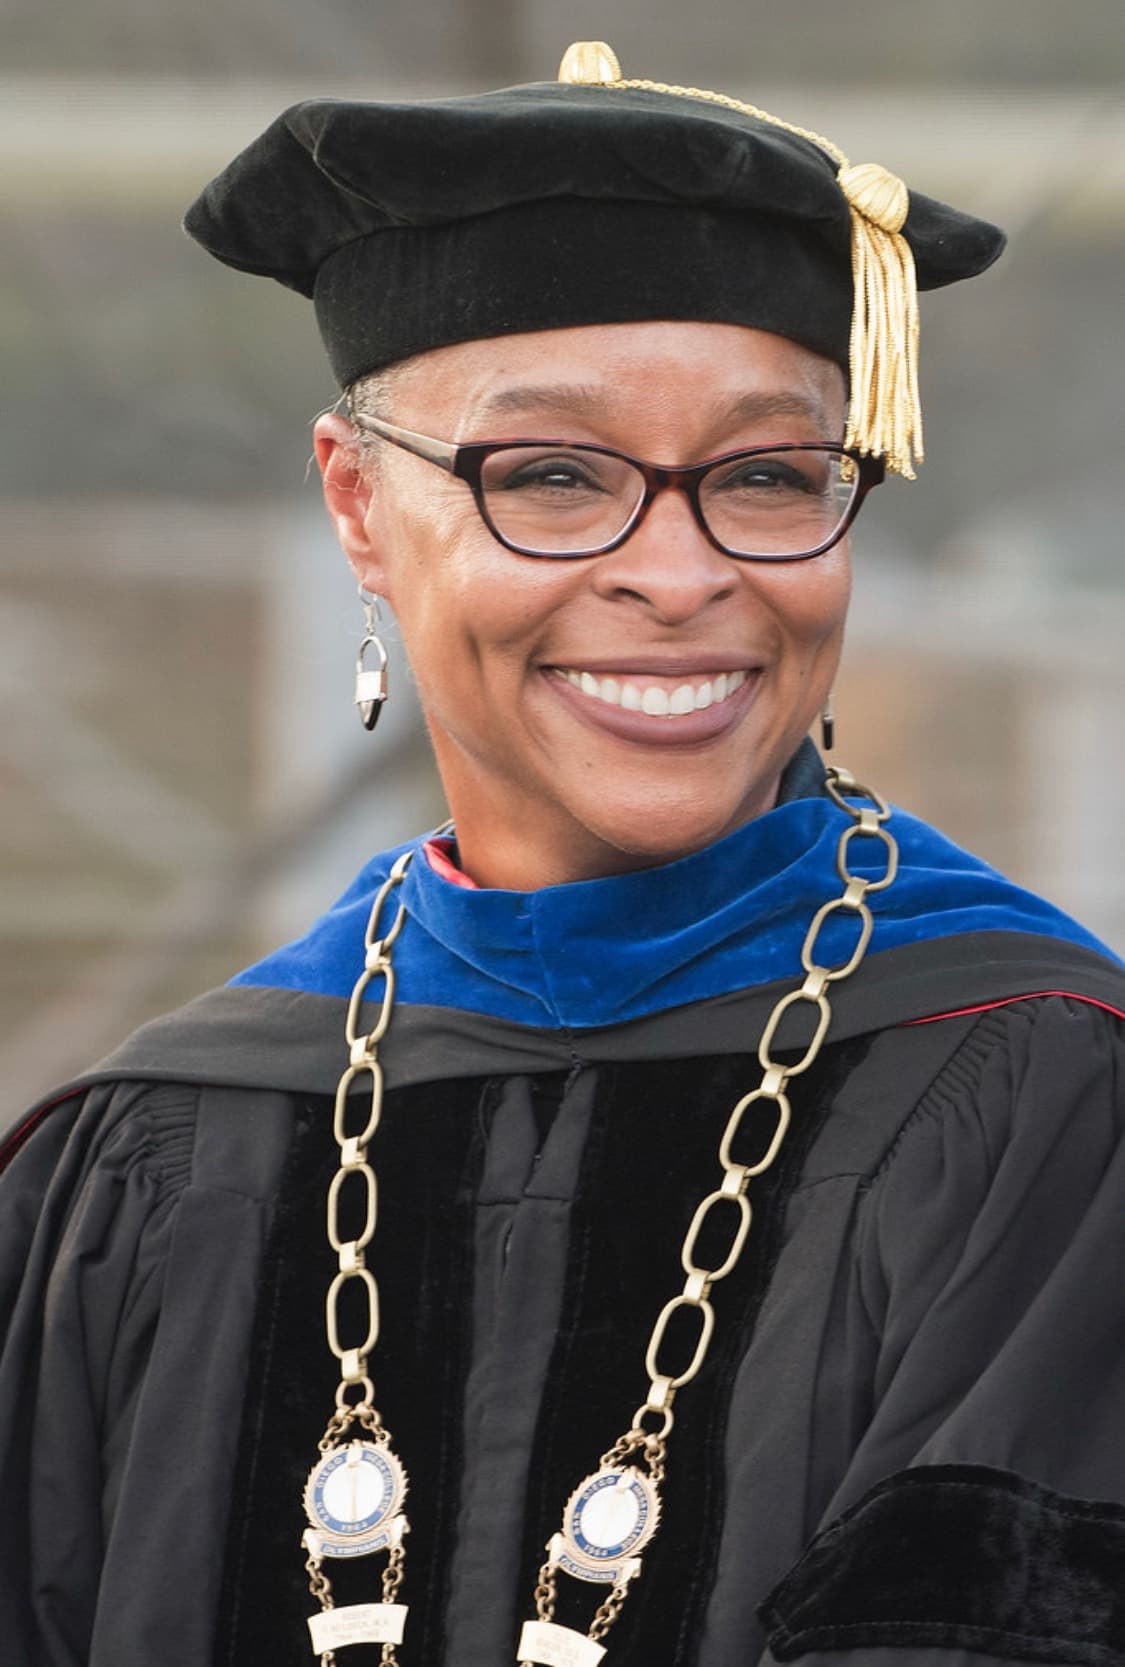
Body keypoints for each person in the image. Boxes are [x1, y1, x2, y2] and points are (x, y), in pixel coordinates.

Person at [2, 39, 1124, 1667]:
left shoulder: (1040, 1099)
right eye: (549, 476)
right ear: (358, 507)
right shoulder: (160, 1148)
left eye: (764, 477)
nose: (675, 573)